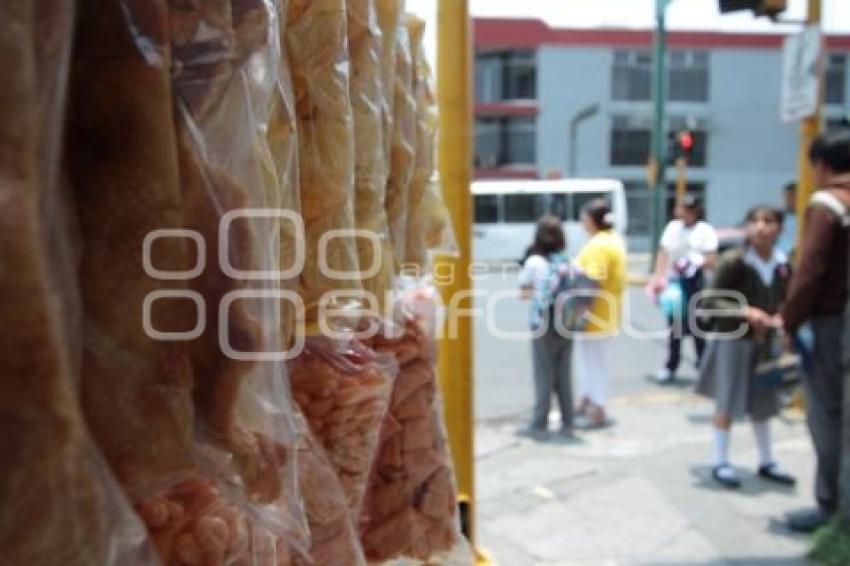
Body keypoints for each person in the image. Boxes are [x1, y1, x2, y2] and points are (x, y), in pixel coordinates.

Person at [696, 205, 796, 489]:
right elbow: (710, 299)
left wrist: (783, 317)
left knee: (764, 400)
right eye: (755, 221)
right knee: (727, 399)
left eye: (769, 221)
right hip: (734, 338)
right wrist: (746, 312)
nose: (761, 228)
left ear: (779, 228)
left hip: (765, 341)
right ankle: (720, 460)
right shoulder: (735, 261)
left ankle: (766, 460)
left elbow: (788, 297)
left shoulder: (782, 262)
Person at [782, 130, 850, 533]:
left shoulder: (828, 204)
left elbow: (810, 272)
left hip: (834, 325)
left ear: (821, 165)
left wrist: (789, 321)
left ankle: (831, 506)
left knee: (827, 415)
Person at [649, 195, 719, 384]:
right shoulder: (673, 228)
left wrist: (695, 263)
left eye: (690, 209)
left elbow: (711, 257)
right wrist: (658, 277)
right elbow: (663, 253)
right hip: (675, 282)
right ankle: (671, 365)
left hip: (695, 282)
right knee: (675, 327)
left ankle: (704, 367)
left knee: (697, 326)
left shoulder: (705, 230)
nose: (686, 213)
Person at [517, 215, 574, 441]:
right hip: (566, 321)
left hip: (542, 322)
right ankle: (567, 422)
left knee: (543, 373)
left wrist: (538, 291)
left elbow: (523, 293)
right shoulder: (565, 261)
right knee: (564, 373)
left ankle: (540, 422)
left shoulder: (534, 262)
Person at [572, 199, 627, 429]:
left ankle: (598, 408)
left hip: (595, 315)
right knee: (591, 361)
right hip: (607, 312)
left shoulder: (598, 247)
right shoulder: (614, 240)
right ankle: (586, 402)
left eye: (584, 217)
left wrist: (578, 313)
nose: (582, 222)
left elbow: (591, 282)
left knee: (593, 363)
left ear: (592, 220)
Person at [776, 182, 798, 257]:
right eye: (786, 196)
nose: (788, 200)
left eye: (792, 196)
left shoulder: (809, 216)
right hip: (781, 255)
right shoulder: (778, 216)